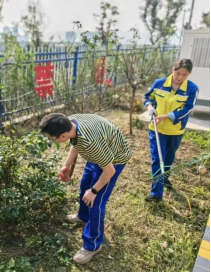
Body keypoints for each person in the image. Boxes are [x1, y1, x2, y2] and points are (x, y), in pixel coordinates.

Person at [39, 113, 131, 264]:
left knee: (95, 202)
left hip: (113, 161)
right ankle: (83, 216)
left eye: (52, 139)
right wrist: (66, 165)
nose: (50, 141)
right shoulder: (71, 122)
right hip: (99, 156)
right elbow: (76, 144)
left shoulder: (90, 142)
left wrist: (94, 191)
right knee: (84, 186)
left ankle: (93, 245)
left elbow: (109, 171)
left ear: (62, 135)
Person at [144, 58, 199, 202]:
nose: (180, 77)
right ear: (173, 69)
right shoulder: (159, 83)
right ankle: (156, 193)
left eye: (184, 75)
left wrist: (168, 116)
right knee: (158, 158)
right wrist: (149, 105)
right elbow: (148, 97)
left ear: (189, 75)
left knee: (168, 158)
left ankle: (164, 179)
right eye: (178, 73)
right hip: (156, 128)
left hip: (175, 131)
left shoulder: (192, 89)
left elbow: (188, 109)